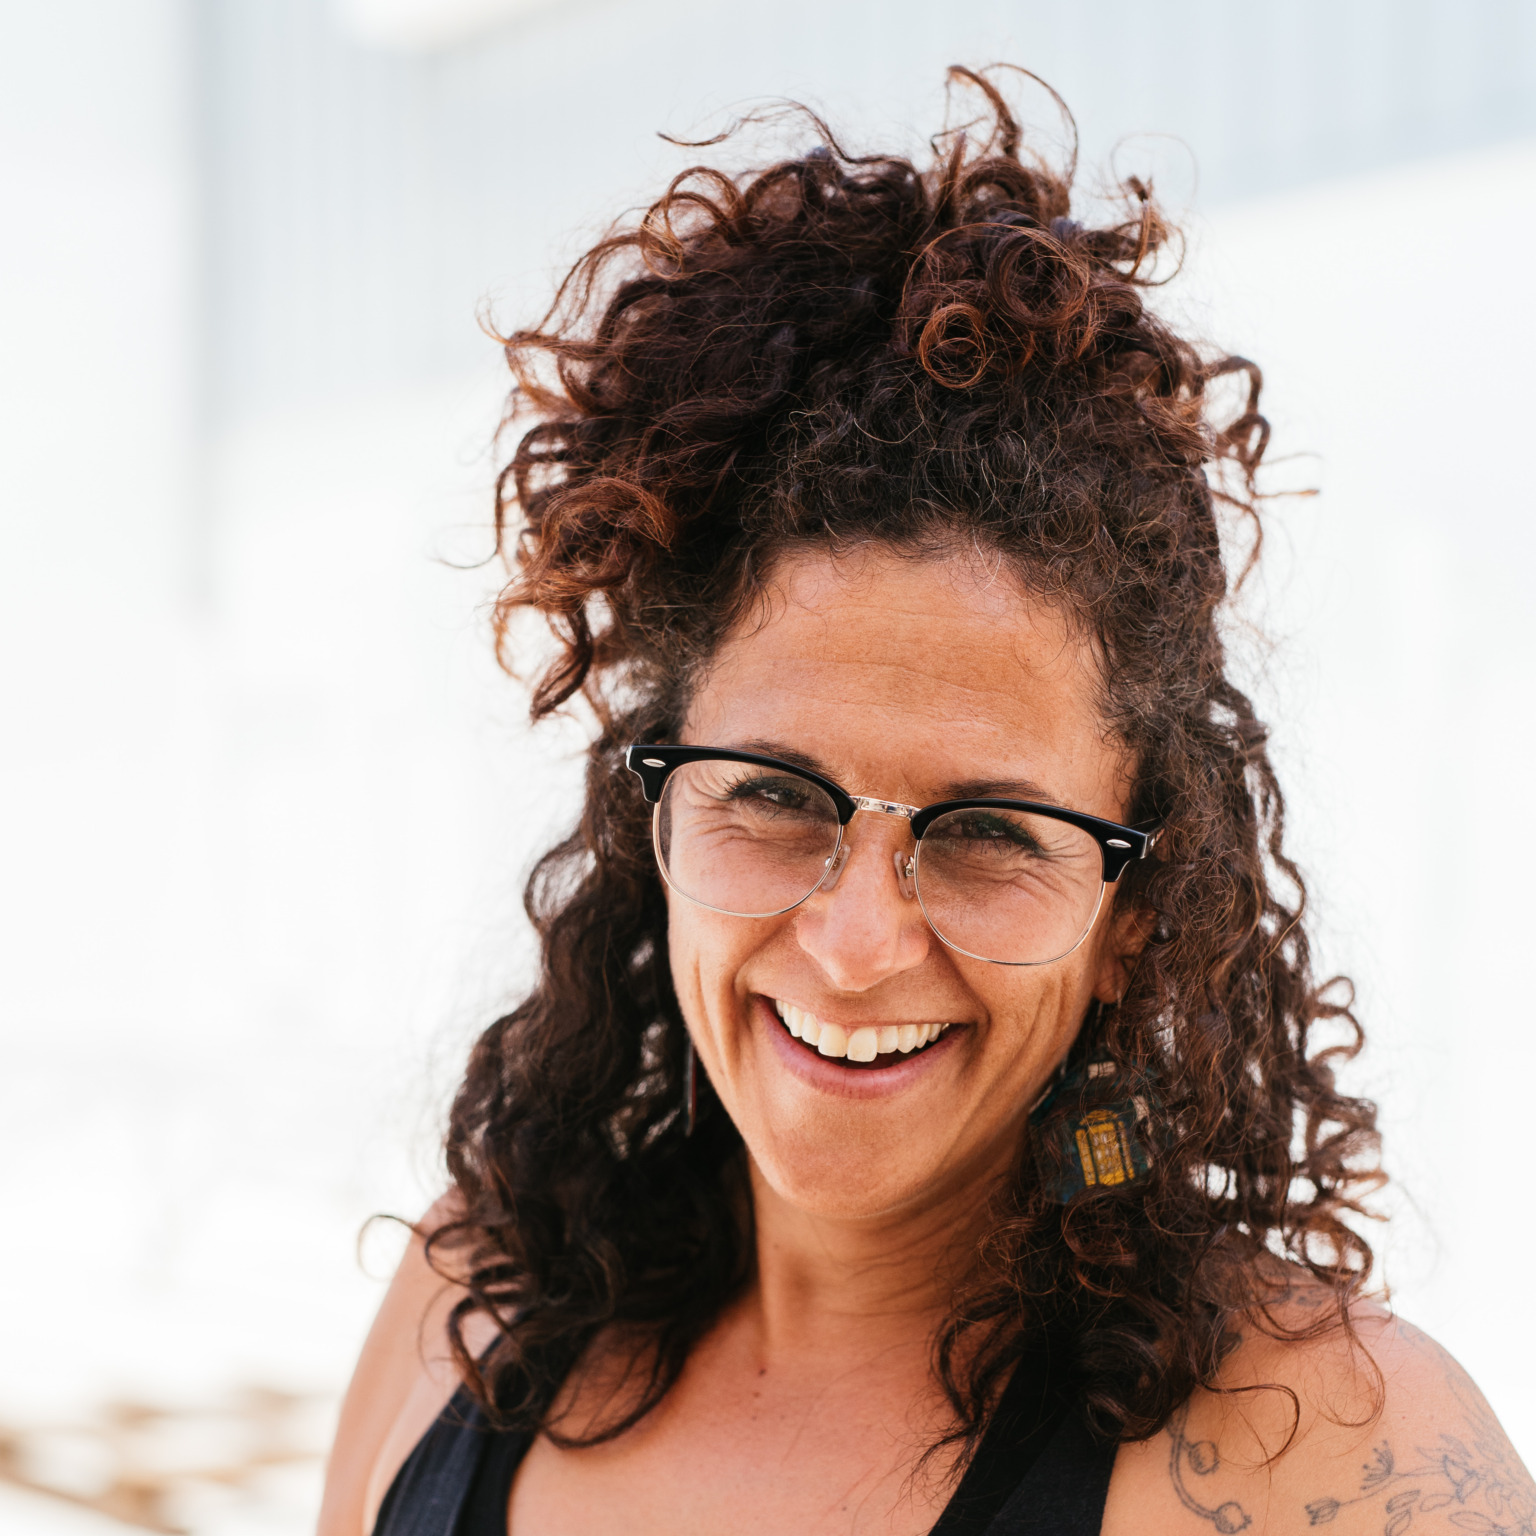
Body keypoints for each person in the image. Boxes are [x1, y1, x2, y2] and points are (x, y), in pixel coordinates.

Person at [317, 68, 1531, 1536]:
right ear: (654, 817)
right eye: (773, 794)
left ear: (1134, 914)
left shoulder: (1324, 1460)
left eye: (989, 834)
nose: (853, 944)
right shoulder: (470, 1306)